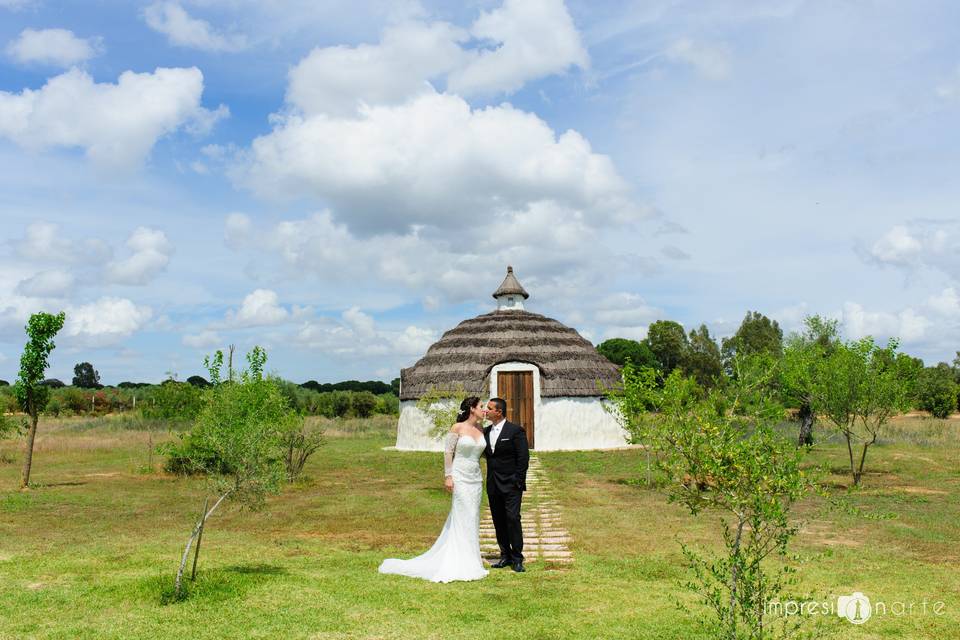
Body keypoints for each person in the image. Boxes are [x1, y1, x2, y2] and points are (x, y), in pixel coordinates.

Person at [378, 397, 489, 583]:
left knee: (473, 516)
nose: (484, 410)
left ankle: (472, 557)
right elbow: (448, 452)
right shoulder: (457, 428)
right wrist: (448, 476)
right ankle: (459, 559)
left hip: (476, 479)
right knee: (462, 515)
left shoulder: (481, 429)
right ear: (472, 409)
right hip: (460, 476)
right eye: (481, 407)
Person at [483, 397, 529, 572]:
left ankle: (517, 558)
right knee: (498, 521)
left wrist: (518, 481)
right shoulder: (485, 432)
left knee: (512, 519)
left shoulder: (515, 431)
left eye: (489, 408)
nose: (486, 411)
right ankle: (505, 555)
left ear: (499, 411)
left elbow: (523, 458)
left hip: (511, 485)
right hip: (493, 485)